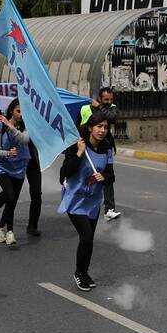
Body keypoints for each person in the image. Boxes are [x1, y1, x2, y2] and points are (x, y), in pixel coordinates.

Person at [58, 111, 115, 291]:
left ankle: (84, 271)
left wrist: (103, 177)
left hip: (93, 201)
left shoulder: (106, 149)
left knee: (88, 240)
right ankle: (79, 273)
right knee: (86, 236)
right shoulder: (78, 145)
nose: (103, 130)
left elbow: (111, 176)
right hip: (75, 199)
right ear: (90, 128)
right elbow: (65, 172)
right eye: (99, 127)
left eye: (105, 127)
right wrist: (80, 153)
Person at [0, 99, 30, 246]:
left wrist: (10, 126)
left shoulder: (26, 126)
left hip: (19, 168)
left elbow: (25, 139)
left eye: (24, 111)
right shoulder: (0, 126)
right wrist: (7, 153)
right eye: (19, 111)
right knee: (10, 196)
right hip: (3, 167)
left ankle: (1, 228)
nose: (21, 114)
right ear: (12, 110)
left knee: (12, 202)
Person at [80, 88, 121, 219]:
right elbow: (81, 124)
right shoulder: (87, 108)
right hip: (89, 147)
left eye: (111, 99)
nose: (109, 102)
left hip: (105, 147)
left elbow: (112, 118)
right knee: (86, 175)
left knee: (107, 175)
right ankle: (83, 204)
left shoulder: (111, 108)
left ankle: (109, 208)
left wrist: (99, 107)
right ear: (100, 98)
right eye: (106, 100)